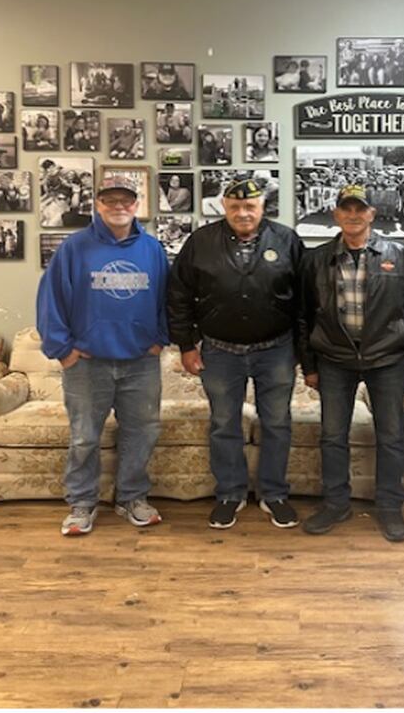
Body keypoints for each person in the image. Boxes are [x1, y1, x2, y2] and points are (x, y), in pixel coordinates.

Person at [298, 184, 404, 543]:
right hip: (333, 359)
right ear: (336, 214)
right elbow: (303, 316)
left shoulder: (400, 255)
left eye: (361, 209)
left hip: (388, 358)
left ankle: (390, 507)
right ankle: (335, 503)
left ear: (373, 213)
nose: (354, 215)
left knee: (390, 437)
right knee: (332, 436)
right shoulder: (315, 259)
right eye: (347, 209)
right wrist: (308, 365)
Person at [167, 177, 304, 531]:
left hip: (276, 350)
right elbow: (178, 294)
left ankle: (274, 494)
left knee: (276, 424)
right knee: (224, 425)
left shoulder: (286, 239)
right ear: (224, 207)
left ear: (262, 207)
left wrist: (303, 351)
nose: (243, 213)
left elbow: (306, 300)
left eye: (250, 207)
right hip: (220, 351)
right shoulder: (201, 241)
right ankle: (230, 493)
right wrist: (185, 344)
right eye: (235, 207)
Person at [36, 177, 170, 537]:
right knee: (84, 437)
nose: (118, 206)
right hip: (87, 363)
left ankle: (132, 499)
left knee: (141, 434)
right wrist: (62, 351)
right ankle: (81, 504)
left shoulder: (153, 250)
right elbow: (51, 300)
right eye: (109, 199)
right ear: (97, 204)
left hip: (140, 362)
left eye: (125, 200)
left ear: (136, 204)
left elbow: (168, 301)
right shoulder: (73, 248)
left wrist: (160, 340)